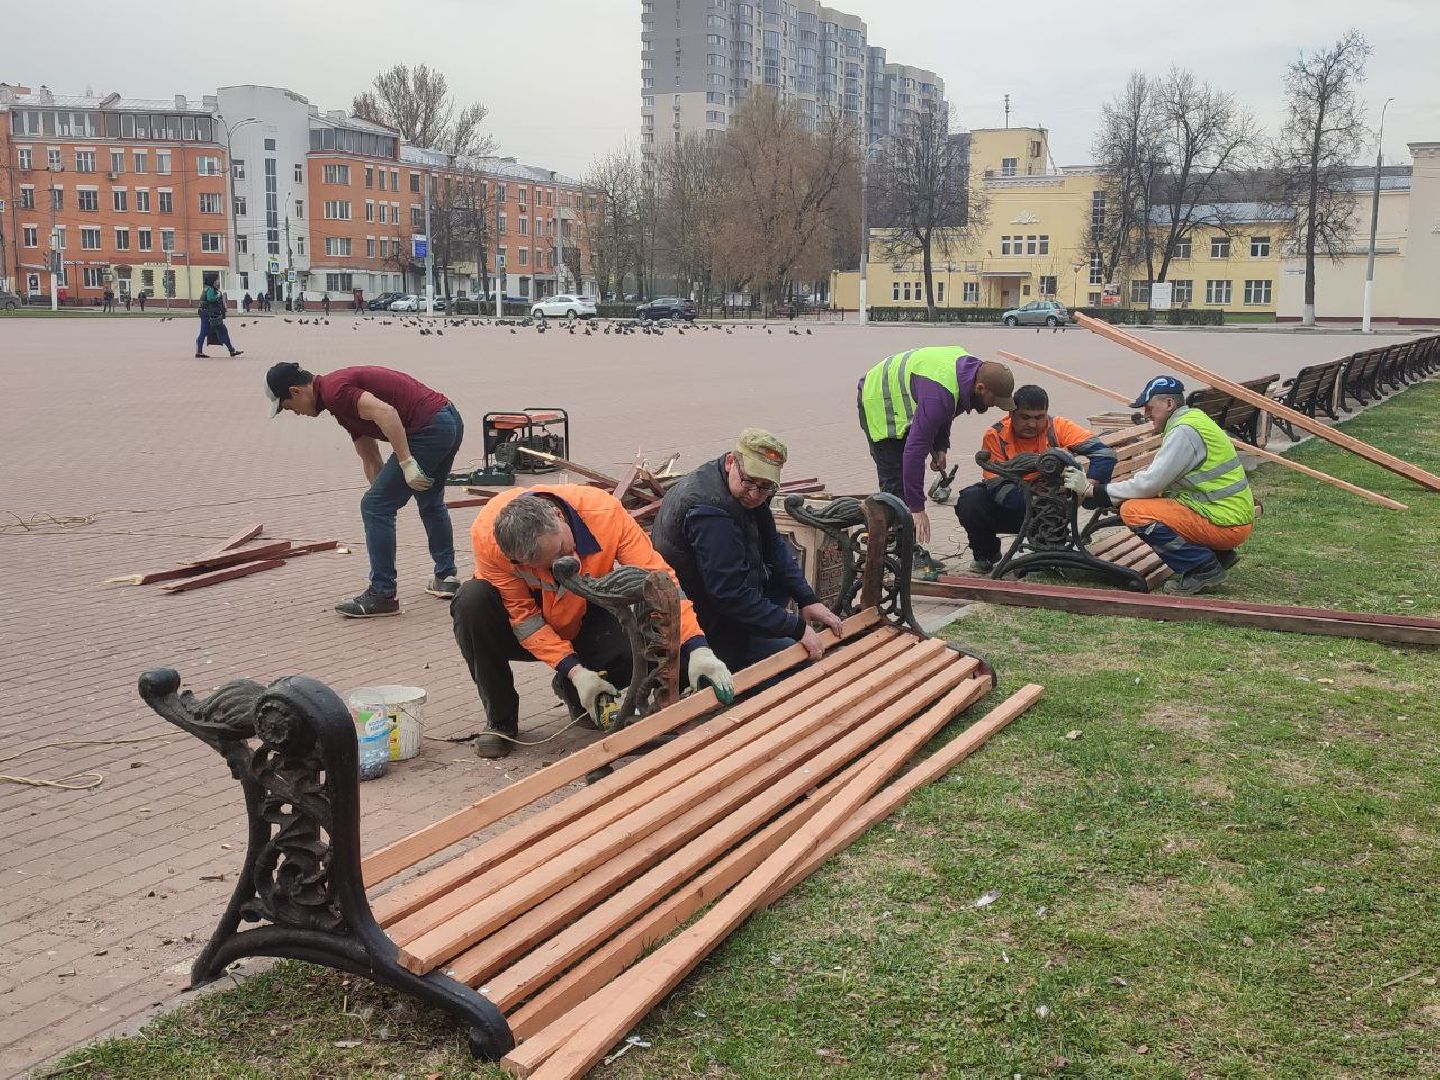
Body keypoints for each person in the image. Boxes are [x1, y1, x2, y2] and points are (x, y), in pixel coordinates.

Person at [454, 486, 736, 758]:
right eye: (545, 564)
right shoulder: (488, 535)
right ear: (515, 557)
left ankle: (575, 690)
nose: (564, 562)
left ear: (557, 515)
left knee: (643, 648)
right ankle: (501, 723)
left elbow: (660, 584)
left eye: (564, 548)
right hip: (524, 630)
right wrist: (576, 671)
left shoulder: (605, 513)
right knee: (472, 602)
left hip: (586, 613)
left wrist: (697, 646)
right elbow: (525, 620)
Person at [265, 362, 465, 617]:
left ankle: (383, 594)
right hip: (448, 420)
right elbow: (369, 456)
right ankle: (445, 576)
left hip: (429, 428)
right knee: (426, 500)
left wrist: (405, 464)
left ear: (296, 392)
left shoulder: (336, 392)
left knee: (374, 506)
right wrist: (383, 492)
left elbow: (387, 413)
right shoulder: (337, 402)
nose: (295, 413)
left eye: (288, 407)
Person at [653, 429, 845, 671]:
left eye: (765, 487)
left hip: (727, 606)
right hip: (704, 625)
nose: (755, 493)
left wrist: (807, 598)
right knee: (797, 663)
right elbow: (730, 596)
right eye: (750, 481)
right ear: (732, 461)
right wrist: (795, 628)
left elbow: (773, 545)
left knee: (791, 626)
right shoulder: (710, 513)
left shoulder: (740, 487)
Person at [1071, 376, 1255, 596]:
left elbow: (1149, 484)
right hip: (1230, 516)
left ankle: (1202, 567)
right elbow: (1157, 480)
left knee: (1134, 511)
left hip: (1225, 523)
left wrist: (1094, 491)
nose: (1146, 415)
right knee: (1142, 503)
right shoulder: (1194, 419)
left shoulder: (1184, 431)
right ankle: (1217, 555)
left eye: (1150, 408)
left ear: (1169, 404)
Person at [857, 348, 1016, 547]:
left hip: (907, 396)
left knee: (906, 478)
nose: (994, 406)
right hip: (878, 400)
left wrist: (941, 447)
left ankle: (901, 544)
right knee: (895, 482)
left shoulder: (968, 371)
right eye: (994, 400)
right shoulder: (938, 397)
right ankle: (902, 552)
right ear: (981, 388)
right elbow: (914, 452)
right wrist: (917, 508)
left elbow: (950, 406)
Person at [957, 384, 1117, 573]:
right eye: (1025, 417)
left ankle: (1049, 547)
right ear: (1011, 414)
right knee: (970, 501)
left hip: (1055, 506)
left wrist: (1088, 487)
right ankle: (987, 555)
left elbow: (1105, 454)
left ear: (1046, 414)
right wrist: (1041, 498)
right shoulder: (995, 435)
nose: (1032, 424)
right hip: (1016, 503)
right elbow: (998, 487)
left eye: (1039, 417)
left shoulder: (1059, 426)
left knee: (1051, 503)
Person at [195, 272, 242, 358]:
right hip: (210, 315)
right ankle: (231, 350)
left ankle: (199, 351)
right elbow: (210, 299)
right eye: (217, 279)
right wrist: (218, 295)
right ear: (212, 281)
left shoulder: (208, 289)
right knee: (215, 331)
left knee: (212, 331)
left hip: (207, 314)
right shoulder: (210, 290)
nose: (218, 281)